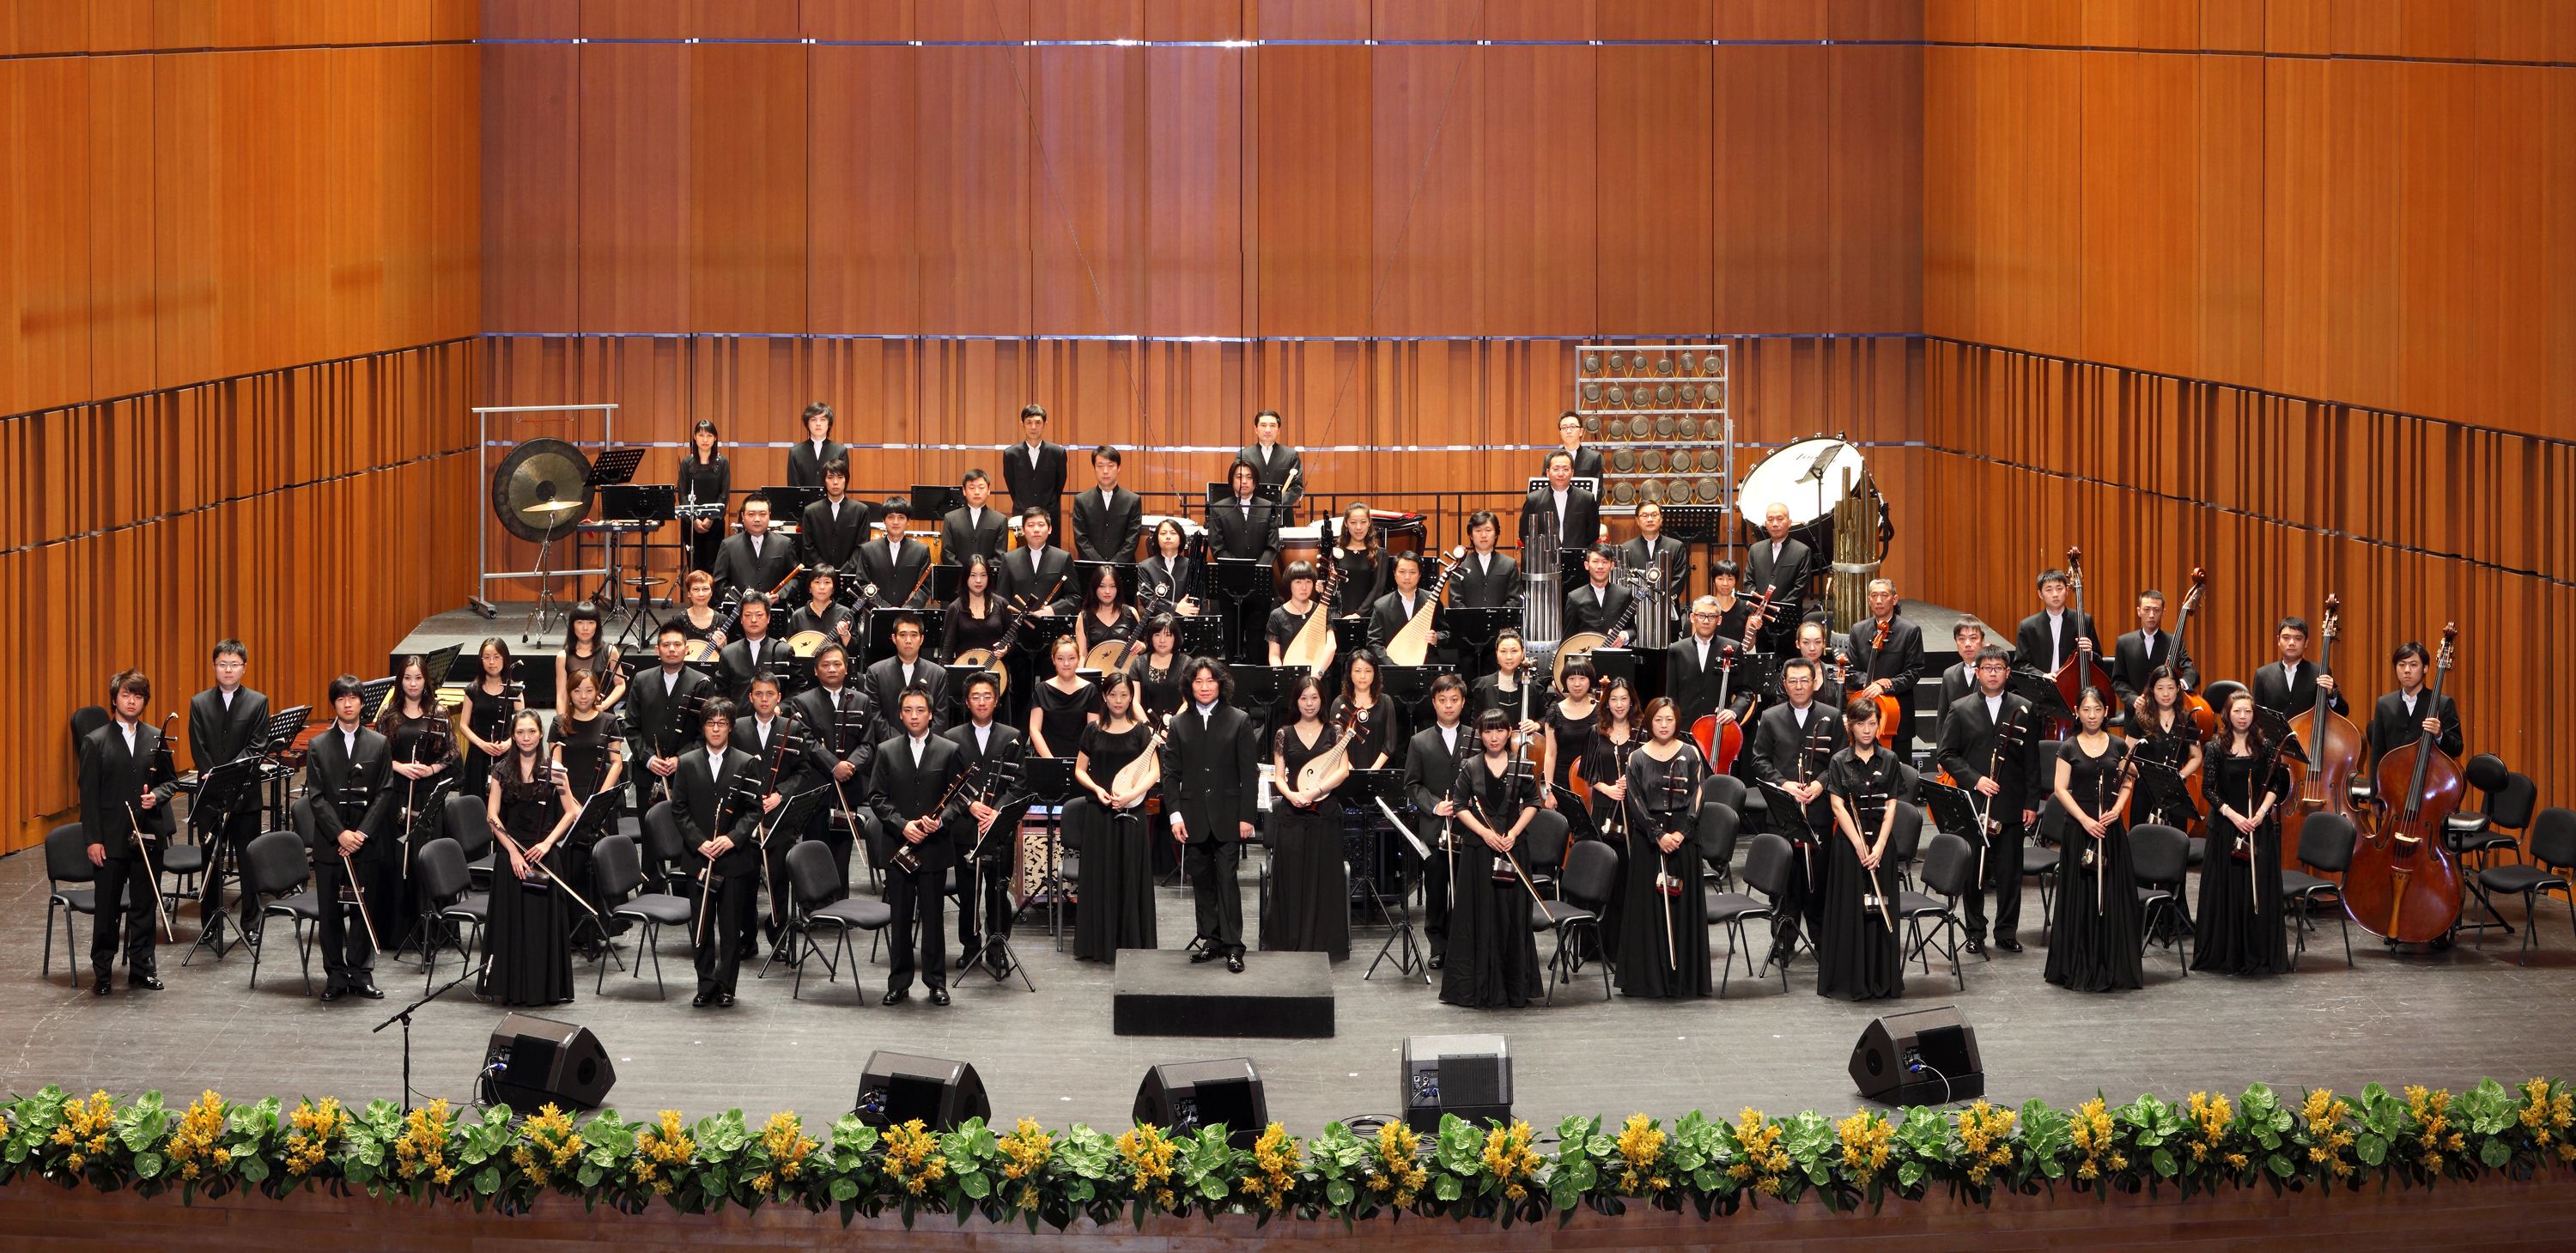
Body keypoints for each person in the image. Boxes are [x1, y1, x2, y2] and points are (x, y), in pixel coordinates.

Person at [1937, 645, 2043, 955]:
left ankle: (2006, 932)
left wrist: (2031, 803)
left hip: (2011, 803)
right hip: (1974, 804)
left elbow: (2033, 762)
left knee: (2010, 874)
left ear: (2008, 673)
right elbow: (1947, 754)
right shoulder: (1960, 708)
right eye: (1987, 668)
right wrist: (1975, 779)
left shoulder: (2025, 708)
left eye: (1998, 668)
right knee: (1974, 874)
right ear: (1977, 672)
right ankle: (1975, 931)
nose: (1993, 673)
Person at [80, 670, 179, 996]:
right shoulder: (95, 741)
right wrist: (93, 840)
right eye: (126, 695)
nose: (132, 701)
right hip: (109, 839)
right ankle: (103, 973)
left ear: (144, 701)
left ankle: (141, 969)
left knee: (144, 907)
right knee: (107, 909)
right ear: (114, 699)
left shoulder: (156, 738)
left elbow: (171, 781)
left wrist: (157, 796)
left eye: (138, 696)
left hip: (148, 836)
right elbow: (88, 797)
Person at [2043, 686, 2143, 992]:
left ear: (2106, 712)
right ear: (2077, 712)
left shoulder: (2118, 745)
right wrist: (2085, 820)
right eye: (2086, 710)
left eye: (2097, 709)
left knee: (2112, 897)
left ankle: (2112, 964)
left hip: (2110, 828)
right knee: (2081, 898)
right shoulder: (2068, 747)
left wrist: (2118, 809)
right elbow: (2060, 789)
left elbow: (2130, 779)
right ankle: (2079, 963)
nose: (2092, 715)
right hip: (2079, 829)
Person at [1441, 709, 1543, 1008]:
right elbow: (1459, 805)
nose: (1494, 737)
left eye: (1499, 730)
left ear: (1509, 732)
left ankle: (1513, 988)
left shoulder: (1522, 765)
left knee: (1512, 916)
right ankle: (1477, 986)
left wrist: (1513, 833)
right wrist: (1485, 834)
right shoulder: (1470, 766)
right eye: (1488, 731)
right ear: (1480, 735)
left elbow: (1533, 803)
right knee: (1478, 915)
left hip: (1513, 848)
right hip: (1478, 850)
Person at [1744, 656, 1842, 965]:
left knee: (1818, 882)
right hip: (1782, 813)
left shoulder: (1832, 716)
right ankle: (1783, 941)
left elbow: (1840, 759)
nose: (1799, 686)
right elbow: (1759, 760)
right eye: (1793, 681)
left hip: (1819, 811)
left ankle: (1822, 941)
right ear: (1784, 684)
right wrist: (1784, 784)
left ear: (1815, 682)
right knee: (1784, 882)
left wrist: (1821, 785)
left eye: (1805, 680)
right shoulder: (1770, 717)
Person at [872, 687, 966, 1005]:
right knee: (899, 918)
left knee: (933, 918)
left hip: (933, 847)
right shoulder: (886, 750)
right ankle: (899, 982)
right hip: (899, 847)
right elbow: (876, 797)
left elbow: (959, 798)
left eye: (920, 710)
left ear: (931, 714)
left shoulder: (949, 750)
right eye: (909, 710)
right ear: (900, 714)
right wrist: (903, 825)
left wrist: (942, 821)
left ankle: (936, 982)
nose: (914, 716)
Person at [305, 674, 396, 1002]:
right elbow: (316, 797)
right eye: (341, 698)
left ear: (361, 702)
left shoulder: (378, 743)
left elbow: (385, 792)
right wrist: (340, 833)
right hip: (331, 844)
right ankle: (335, 975)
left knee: (362, 910)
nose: (348, 704)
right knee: (330, 913)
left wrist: (360, 834)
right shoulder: (318, 745)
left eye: (353, 698)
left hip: (365, 843)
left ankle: (360, 973)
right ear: (335, 704)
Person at [482, 711, 578, 1006]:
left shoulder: (555, 770)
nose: (526, 738)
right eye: (520, 732)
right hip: (511, 858)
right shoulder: (500, 771)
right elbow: (492, 816)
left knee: (540, 927)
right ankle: (513, 987)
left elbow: (571, 812)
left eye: (531, 732)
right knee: (512, 925)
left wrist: (547, 844)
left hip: (543, 856)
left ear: (540, 734)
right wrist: (512, 852)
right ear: (513, 735)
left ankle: (543, 988)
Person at [1617, 698, 1711, 999]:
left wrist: (1682, 832)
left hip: (1684, 839)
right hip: (1650, 841)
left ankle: (1684, 980)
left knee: (1682, 908)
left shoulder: (1691, 753)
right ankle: (1650, 980)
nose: (1664, 725)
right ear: (1649, 722)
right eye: (1658, 719)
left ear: (1677, 721)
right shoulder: (1637, 758)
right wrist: (1657, 834)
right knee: (1649, 911)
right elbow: (1634, 801)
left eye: (1669, 719)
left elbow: (1698, 794)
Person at [2196, 690, 2292, 976]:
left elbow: (2276, 785)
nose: (2242, 717)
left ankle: (2257, 952)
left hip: (2257, 827)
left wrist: (2260, 815)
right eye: (2237, 711)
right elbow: (2208, 789)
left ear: (2254, 715)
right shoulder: (2216, 747)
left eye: (2248, 711)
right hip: (2226, 828)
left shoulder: (2266, 746)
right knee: (2228, 892)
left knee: (2256, 891)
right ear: (2227, 714)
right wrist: (2234, 816)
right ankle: (2228, 954)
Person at [1170, 658, 1258, 971]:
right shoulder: (1178, 724)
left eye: (1210, 680)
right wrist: (1175, 815)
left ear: (1221, 684)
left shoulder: (1239, 720)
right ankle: (1212, 940)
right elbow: (1171, 774)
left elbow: (1249, 774)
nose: (1205, 687)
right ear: (1189, 686)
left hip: (1229, 815)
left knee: (1226, 879)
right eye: (1198, 681)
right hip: (1192, 816)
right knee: (1202, 881)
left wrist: (1247, 816)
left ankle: (1234, 946)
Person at [1818, 698, 1906, 1001]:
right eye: (1860, 724)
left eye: (1872, 724)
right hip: (1849, 848)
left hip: (1881, 847)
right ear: (1851, 727)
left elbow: (1892, 806)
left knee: (1880, 909)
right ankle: (1850, 980)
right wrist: (1859, 845)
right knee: (1851, 911)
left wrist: (1879, 846)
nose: (1867, 730)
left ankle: (1881, 979)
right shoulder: (1838, 761)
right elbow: (1837, 806)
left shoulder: (1890, 759)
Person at [1066, 672, 1157, 962]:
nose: (1119, 700)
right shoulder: (1092, 730)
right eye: (1113, 695)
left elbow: (1154, 771)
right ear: (1104, 697)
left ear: (1131, 698)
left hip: (1132, 812)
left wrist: (1132, 795)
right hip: (1100, 812)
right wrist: (1096, 788)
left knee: (1130, 875)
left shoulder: (1142, 731)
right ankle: (1098, 945)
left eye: (1124, 695)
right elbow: (1080, 769)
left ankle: (1131, 942)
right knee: (1100, 877)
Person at [675, 700, 761, 1008]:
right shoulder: (686, 762)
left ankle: (726, 986)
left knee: (730, 927)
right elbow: (679, 810)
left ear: (731, 727)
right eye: (711, 723)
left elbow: (754, 810)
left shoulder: (746, 762)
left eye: (722, 723)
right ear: (703, 726)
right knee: (701, 926)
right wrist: (699, 842)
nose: (716, 728)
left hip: (732, 859)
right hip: (699, 857)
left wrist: (732, 839)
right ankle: (705, 984)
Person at [946, 672, 1030, 975]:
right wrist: (971, 805)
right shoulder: (951, 737)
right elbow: (950, 782)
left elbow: (1019, 783)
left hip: (999, 827)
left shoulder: (1012, 736)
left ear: (996, 701)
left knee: (998, 889)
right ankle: (970, 945)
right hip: (966, 827)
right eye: (975, 697)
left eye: (987, 697)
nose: (981, 702)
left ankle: (997, 946)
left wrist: (996, 812)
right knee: (967, 892)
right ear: (967, 702)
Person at [188, 639, 272, 939]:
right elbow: (198, 747)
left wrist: (228, 776)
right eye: (222, 664)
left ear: (244, 668)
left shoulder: (258, 702)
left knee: (248, 861)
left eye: (234, 664)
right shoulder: (199, 702)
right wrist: (214, 776)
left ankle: (251, 924)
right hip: (210, 795)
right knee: (210, 859)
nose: (228, 669)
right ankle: (210, 924)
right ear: (214, 667)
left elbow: (256, 746)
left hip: (245, 795)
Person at [1266, 675, 1352, 961]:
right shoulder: (1284, 734)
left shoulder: (1335, 732)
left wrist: (1316, 791)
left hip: (1325, 814)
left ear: (1322, 700)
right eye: (1304, 698)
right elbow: (1279, 776)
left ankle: (1324, 943)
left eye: (1314, 697)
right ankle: (1290, 940)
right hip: (1292, 813)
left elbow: (1343, 771)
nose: (1309, 703)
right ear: (1296, 701)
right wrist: (1292, 796)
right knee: (1292, 877)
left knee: (1324, 878)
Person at [787, 642, 877, 897]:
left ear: (846, 668)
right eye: (825, 665)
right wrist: (834, 766)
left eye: (837, 663)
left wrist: (850, 766)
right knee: (815, 850)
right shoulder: (802, 702)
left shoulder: (861, 700)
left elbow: (868, 744)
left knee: (841, 853)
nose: (832, 669)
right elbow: (806, 741)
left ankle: (840, 904)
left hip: (848, 789)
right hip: (817, 790)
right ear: (816, 670)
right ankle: (814, 906)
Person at [377, 655, 456, 940]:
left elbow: (452, 752)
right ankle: (396, 932)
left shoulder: (439, 713)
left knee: (425, 858)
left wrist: (431, 769)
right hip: (397, 793)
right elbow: (377, 753)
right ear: (400, 681)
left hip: (427, 794)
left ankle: (431, 932)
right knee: (399, 858)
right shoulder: (389, 714)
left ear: (426, 681)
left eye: (418, 678)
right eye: (407, 678)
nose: (413, 684)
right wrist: (400, 766)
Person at [547, 667, 625, 953]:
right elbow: (555, 766)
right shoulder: (559, 723)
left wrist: (598, 798)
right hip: (567, 801)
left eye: (589, 690)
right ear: (570, 693)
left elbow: (616, 763)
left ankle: (599, 926)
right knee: (572, 864)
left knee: (598, 864)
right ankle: (570, 927)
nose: (583, 696)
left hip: (599, 801)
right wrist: (571, 801)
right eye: (577, 691)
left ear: (597, 693)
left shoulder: (609, 721)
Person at [734, 673, 806, 959]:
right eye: (759, 694)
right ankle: (747, 938)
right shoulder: (738, 728)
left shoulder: (793, 727)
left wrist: (780, 795)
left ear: (779, 697)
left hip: (779, 819)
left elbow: (802, 771)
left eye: (770, 694)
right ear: (750, 697)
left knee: (778, 880)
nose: (764, 699)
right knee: (745, 882)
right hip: (746, 819)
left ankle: (778, 938)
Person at [1404, 675, 1473, 969]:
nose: (1448, 705)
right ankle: (1438, 946)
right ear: (1433, 703)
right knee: (1435, 890)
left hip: (1468, 828)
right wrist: (1435, 805)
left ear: (1463, 702)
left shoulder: (1475, 737)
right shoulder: (1419, 741)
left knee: (1464, 889)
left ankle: (1461, 944)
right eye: (1442, 700)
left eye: (1454, 700)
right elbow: (1412, 784)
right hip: (1433, 829)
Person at [627, 623, 716, 847]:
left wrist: (681, 759)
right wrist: (649, 759)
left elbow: (706, 732)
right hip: (648, 773)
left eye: (677, 644)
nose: (672, 649)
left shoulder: (702, 683)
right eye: (666, 645)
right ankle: (651, 874)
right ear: (657, 650)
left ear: (687, 648)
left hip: (687, 774)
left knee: (687, 840)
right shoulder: (641, 680)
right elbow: (631, 727)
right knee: (649, 841)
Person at [1582, 678, 1641, 952]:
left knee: (1626, 876)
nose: (1619, 704)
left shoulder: (1642, 733)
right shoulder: (1596, 731)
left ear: (1632, 702)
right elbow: (1587, 771)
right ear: (1607, 703)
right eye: (1614, 699)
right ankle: (1598, 945)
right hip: (1604, 810)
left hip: (1633, 812)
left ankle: (1624, 946)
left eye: (1624, 699)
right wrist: (1607, 788)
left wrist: (1632, 781)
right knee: (1603, 875)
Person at [1840, 577, 1923, 757]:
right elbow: (1851, 671)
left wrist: (1887, 685)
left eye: (1884, 595)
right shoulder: (1858, 630)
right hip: (1864, 713)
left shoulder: (1910, 631)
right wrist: (1873, 683)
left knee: (1899, 768)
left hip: (1897, 717)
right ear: (1869, 600)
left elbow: (1914, 671)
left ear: (1894, 599)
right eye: (1874, 596)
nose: (1879, 600)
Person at [2364, 641, 2464, 772]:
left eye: (2413, 665)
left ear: (2425, 668)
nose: (2407, 670)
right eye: (2401, 665)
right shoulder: (2384, 704)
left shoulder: (2443, 703)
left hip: (2430, 777)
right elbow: (2377, 756)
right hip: (2393, 779)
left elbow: (2457, 748)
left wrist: (2440, 734)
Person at [2129, 671, 2204, 830]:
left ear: (2178, 689)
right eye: (2160, 688)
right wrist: (2147, 777)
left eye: (2170, 688)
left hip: (2175, 792)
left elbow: (2196, 756)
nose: (2165, 694)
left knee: (2175, 839)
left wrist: (2180, 776)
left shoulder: (2187, 719)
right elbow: (2126, 757)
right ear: (2152, 690)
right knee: (2143, 839)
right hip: (2145, 791)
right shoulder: (2140, 719)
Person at [1665, 596, 1753, 733]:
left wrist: (1734, 711)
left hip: (1719, 727)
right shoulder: (1676, 650)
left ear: (1719, 620)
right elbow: (1670, 695)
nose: (1706, 621)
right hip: (1685, 729)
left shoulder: (1733, 648)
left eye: (1712, 616)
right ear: (1692, 618)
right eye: (1701, 615)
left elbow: (1745, 692)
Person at [2111, 588, 2199, 709]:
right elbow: (2118, 680)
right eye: (2147, 609)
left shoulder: (2174, 642)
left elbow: (2191, 671)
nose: (2151, 615)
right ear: (2139, 611)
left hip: (2168, 711)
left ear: (2163, 612)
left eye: (2156, 610)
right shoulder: (2124, 642)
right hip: (2136, 713)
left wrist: (2181, 684)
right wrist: (2133, 699)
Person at [1744, 502, 1812, 654]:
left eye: (1780, 519)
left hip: (1788, 622)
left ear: (1789, 522)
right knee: (1763, 662)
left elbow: (1800, 588)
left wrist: (1775, 609)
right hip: (1761, 621)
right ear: (1765, 523)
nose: (1775, 523)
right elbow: (1749, 582)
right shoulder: (1755, 550)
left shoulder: (1802, 551)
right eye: (1770, 519)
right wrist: (1759, 608)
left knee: (1790, 664)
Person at [865, 614, 950, 733]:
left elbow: (941, 717)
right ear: (894, 638)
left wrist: (924, 741)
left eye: (914, 635)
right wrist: (894, 742)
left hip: (927, 743)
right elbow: (873, 713)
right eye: (903, 635)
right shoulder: (875, 672)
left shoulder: (938, 674)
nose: (908, 641)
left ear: (922, 639)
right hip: (887, 743)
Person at [2013, 566, 2099, 684]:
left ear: (2067, 590)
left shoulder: (2084, 620)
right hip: (2042, 687)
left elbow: (2099, 662)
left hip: (2076, 685)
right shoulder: (2028, 626)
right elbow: (2020, 664)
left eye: (2059, 588)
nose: (2055, 594)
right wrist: (2042, 676)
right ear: (2040, 594)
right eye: (2049, 590)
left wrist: (2090, 653)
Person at [2251, 614, 2346, 718]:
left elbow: (2343, 712)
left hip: (2311, 729)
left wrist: (2332, 695)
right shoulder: (2262, 674)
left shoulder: (2320, 672)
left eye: (2298, 638)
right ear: (2278, 640)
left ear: (2306, 643)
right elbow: (2256, 715)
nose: (2292, 643)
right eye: (2286, 638)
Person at [1619, 500, 1688, 642]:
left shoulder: (1677, 546)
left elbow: (1679, 579)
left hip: (1666, 613)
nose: (1650, 519)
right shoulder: (1626, 548)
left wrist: (1658, 600)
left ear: (1661, 519)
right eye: (1644, 515)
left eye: (1654, 515)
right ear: (1637, 520)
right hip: (1636, 614)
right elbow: (1624, 581)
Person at [455, 637, 522, 783]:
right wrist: (482, 745)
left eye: (497, 657)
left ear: (505, 659)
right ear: (481, 660)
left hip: (506, 754)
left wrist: (508, 744)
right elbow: (463, 725)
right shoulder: (472, 689)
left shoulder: (515, 690)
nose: (492, 662)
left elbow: (523, 725)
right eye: (487, 657)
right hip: (478, 754)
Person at [712, 492, 798, 603]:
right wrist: (742, 600)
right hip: (739, 609)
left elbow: (796, 578)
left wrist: (779, 596)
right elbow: (719, 583)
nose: (757, 519)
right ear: (743, 516)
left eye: (762, 514)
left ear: (769, 515)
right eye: (751, 514)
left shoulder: (784, 543)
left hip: (775, 608)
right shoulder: (728, 545)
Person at [854, 497, 933, 609]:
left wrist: (905, 610)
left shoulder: (921, 551)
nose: (896, 522)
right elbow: (862, 584)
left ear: (908, 521)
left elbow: (925, 587)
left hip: (909, 616)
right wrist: (886, 608)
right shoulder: (867, 550)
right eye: (891, 517)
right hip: (877, 613)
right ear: (883, 520)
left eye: (901, 517)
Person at [1518, 450, 1600, 558]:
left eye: (1566, 469)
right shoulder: (1533, 500)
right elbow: (1525, 533)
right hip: (1544, 560)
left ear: (1572, 472)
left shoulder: (1587, 499)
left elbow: (1593, 534)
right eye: (1556, 469)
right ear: (1548, 472)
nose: (1561, 474)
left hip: (1577, 559)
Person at [1367, 550, 1444, 664]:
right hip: (1393, 665)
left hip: (1426, 663)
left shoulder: (1432, 601)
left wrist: (1437, 638)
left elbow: (1446, 632)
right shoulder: (1381, 605)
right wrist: (1391, 665)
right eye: (1402, 572)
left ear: (1420, 574)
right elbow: (1373, 642)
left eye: (1413, 572)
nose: (1407, 577)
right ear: (1394, 573)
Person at [1029, 636, 1099, 759]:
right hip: (1048, 760)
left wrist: (1081, 762)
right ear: (1053, 660)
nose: (1066, 664)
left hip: (1081, 760)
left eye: (1071, 658)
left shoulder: (1090, 689)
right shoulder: (1041, 689)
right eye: (1060, 659)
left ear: (1078, 659)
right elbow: (1034, 729)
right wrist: (1051, 761)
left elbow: (1093, 732)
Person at [1072, 444, 1145, 563]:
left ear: (1118, 468)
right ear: (1094, 468)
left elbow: (1132, 539)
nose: (1105, 471)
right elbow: (1081, 538)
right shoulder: (1081, 500)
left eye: (1110, 466)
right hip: (1091, 567)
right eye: (1100, 466)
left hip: (1123, 567)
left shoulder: (1133, 500)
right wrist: (1100, 565)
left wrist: (1114, 565)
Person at [799, 457, 869, 576]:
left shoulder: (861, 511)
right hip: (819, 577)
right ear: (824, 481)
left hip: (850, 576)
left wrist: (843, 572)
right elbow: (808, 547)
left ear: (846, 480)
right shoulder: (811, 511)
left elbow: (862, 547)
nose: (835, 482)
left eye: (840, 477)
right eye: (830, 477)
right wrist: (826, 572)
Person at [677, 420, 730, 574]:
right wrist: (693, 519)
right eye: (701, 435)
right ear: (695, 437)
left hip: (715, 523)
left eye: (709, 435)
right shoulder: (687, 463)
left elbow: (724, 494)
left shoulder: (722, 462)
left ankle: (713, 592)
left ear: (715, 438)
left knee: (714, 566)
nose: (705, 440)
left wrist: (710, 518)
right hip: (691, 523)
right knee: (694, 567)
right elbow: (682, 493)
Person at [1001, 403, 1067, 528]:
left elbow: (1059, 484)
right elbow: (1011, 486)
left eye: (1038, 423)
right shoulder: (1011, 454)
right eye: (1029, 422)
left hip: (1049, 515)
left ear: (1044, 424)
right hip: (1021, 514)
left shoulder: (1057, 453)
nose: (1033, 427)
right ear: (1022, 424)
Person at [1470, 629, 1549, 733]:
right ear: (1496, 653)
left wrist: (1536, 725)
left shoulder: (1534, 685)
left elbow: (1546, 717)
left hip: (1527, 742)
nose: (1509, 657)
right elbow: (1476, 724)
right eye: (1503, 651)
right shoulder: (1483, 685)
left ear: (1523, 653)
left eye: (1514, 651)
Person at [1335, 652, 1403, 772]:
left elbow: (1390, 744)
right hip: (1346, 773)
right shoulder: (1339, 703)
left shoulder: (1386, 702)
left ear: (1375, 673)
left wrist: (1373, 771)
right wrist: (1350, 769)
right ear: (1349, 673)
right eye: (1357, 671)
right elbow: (1334, 742)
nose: (1363, 676)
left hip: (1378, 772)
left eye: (1368, 671)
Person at [556, 599, 627, 715]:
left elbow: (620, 684)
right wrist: (560, 721)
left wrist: (605, 704)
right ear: (572, 625)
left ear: (597, 625)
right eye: (580, 622)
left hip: (602, 715)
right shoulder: (563, 656)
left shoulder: (610, 651)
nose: (585, 628)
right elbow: (561, 695)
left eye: (591, 622)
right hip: (574, 717)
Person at [715, 593, 787, 703]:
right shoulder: (728, 653)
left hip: (774, 713)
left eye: (759, 615)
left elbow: (796, 690)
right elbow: (721, 693)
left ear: (768, 618)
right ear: (741, 619)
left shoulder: (783, 651)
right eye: (748, 615)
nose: (753, 620)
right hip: (737, 714)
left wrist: (780, 708)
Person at [1929, 619, 1990, 749]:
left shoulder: (1992, 672)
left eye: (1973, 638)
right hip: (1956, 746)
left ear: (1983, 641)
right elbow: (1942, 718)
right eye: (1961, 639)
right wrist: (1941, 752)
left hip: (1985, 744)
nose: (1967, 644)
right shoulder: (1949, 674)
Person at [1541, 660, 1599, 796]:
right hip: (1562, 784)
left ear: (1590, 680)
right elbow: (1550, 754)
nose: (1577, 684)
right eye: (1571, 678)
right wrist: (1549, 791)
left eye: (1582, 678)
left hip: (1594, 783)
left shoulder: (1600, 711)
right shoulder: (1554, 712)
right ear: (1565, 681)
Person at [1266, 560, 1334, 673]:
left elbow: (1331, 646)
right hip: (1289, 675)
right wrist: (1283, 675)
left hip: (1318, 676)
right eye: (1298, 582)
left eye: (1308, 582)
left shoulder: (1321, 611)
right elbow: (1274, 655)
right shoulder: (1277, 615)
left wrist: (1318, 674)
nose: (1304, 587)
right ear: (1290, 584)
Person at [1002, 507, 1075, 609]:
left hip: (1050, 618)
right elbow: (1001, 598)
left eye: (1041, 525)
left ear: (1049, 529)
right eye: (1030, 525)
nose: (1036, 530)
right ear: (1023, 530)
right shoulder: (1009, 559)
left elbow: (1074, 597)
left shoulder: (1063, 558)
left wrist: (1053, 609)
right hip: (1017, 618)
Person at [1449, 509, 1522, 610]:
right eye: (1478, 531)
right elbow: (1455, 600)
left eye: (1488, 530)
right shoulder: (1459, 565)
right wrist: (1470, 617)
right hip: (1466, 620)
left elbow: (1514, 600)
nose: (1483, 535)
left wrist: (1496, 617)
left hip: (1501, 620)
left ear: (1496, 534)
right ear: (1471, 535)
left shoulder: (1509, 564)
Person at [942, 555, 1010, 660]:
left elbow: (1013, 638)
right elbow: (947, 649)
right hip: (964, 667)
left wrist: (1007, 647)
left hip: (997, 666)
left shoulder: (1002, 604)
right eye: (973, 575)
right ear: (965, 577)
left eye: (983, 575)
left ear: (989, 577)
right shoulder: (954, 608)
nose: (978, 580)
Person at [1238, 410, 1304, 519]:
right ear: (1256, 429)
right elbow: (1238, 483)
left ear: (1278, 430)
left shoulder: (1291, 455)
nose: (1268, 430)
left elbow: (1296, 486)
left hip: (1283, 514)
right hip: (1252, 514)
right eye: (1263, 425)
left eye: (1272, 426)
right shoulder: (1244, 455)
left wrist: (1278, 504)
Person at [1562, 543, 1631, 642]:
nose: (1600, 566)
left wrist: (1624, 635)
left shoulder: (1624, 594)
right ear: (1587, 565)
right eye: (1595, 561)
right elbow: (1568, 639)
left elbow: (1632, 629)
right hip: (1585, 651)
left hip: (1615, 651)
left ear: (1612, 565)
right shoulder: (1574, 598)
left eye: (1605, 562)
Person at [941, 468, 1010, 567]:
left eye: (981, 488)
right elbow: (947, 554)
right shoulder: (950, 518)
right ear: (964, 491)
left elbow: (1000, 556)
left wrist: (981, 571)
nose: (977, 492)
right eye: (972, 488)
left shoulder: (1000, 520)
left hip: (988, 575)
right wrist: (965, 571)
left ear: (988, 490)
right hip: (957, 575)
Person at [1074, 563, 1142, 663]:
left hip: (1127, 669)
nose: (1107, 591)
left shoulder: (1130, 612)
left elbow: (1144, 645)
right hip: (1096, 667)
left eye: (1112, 586)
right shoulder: (1084, 616)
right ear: (1094, 588)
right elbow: (1082, 655)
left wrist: (1141, 646)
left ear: (1118, 588)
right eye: (1102, 586)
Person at [1128, 614, 1188, 720]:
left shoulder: (1186, 663)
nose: (1162, 640)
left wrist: (1173, 726)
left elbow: (1187, 702)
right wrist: (1148, 726)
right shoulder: (1138, 663)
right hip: (1145, 725)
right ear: (1151, 637)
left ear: (1175, 638)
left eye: (1168, 635)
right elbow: (1135, 702)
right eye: (1157, 635)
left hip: (1177, 725)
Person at [787, 567, 858, 652]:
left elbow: (854, 651)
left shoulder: (845, 613)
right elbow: (790, 648)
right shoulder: (798, 616)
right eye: (817, 582)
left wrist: (844, 634)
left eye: (827, 582)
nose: (822, 587)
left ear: (833, 588)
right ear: (810, 588)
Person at [1333, 503, 1387, 614]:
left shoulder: (1380, 553)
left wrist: (1359, 614)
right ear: (1346, 523)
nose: (1358, 527)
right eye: (1353, 522)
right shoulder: (1336, 552)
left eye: (1363, 522)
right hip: (1340, 616)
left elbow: (1378, 589)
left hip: (1368, 617)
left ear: (1369, 523)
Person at [786, 401, 846, 489]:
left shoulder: (840, 451)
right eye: (813, 420)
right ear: (807, 424)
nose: (818, 423)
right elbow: (793, 486)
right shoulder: (795, 452)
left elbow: (841, 484)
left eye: (823, 419)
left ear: (829, 424)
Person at [665, 571, 730, 651]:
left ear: (711, 593)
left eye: (705, 589)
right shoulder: (678, 620)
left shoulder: (722, 620)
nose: (701, 594)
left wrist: (723, 646)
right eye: (696, 589)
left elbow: (730, 652)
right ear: (689, 593)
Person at [1552, 410, 1605, 484]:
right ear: (1560, 432)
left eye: (1573, 427)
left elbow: (1598, 489)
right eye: (1564, 427)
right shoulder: (1551, 458)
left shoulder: (1593, 458)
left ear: (1581, 432)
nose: (1568, 431)